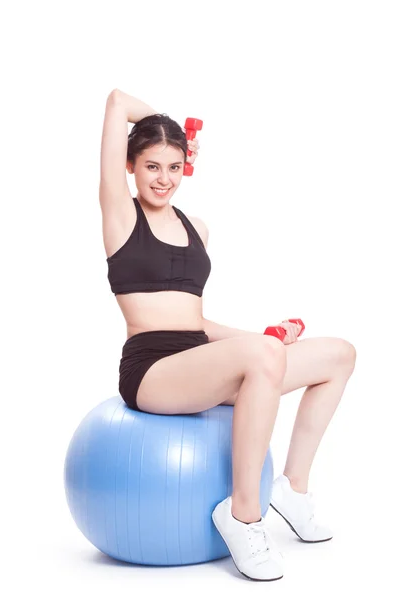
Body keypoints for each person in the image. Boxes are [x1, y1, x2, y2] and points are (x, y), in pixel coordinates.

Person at [99, 88, 357, 581]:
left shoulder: (196, 227)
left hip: (199, 358)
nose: (164, 179)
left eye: (174, 167)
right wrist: (168, 123)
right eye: (152, 166)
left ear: (186, 168)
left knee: (338, 355)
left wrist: (267, 342)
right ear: (131, 166)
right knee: (262, 356)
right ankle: (242, 516)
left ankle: (292, 490)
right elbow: (115, 102)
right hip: (152, 372)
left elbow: (193, 322)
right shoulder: (120, 215)